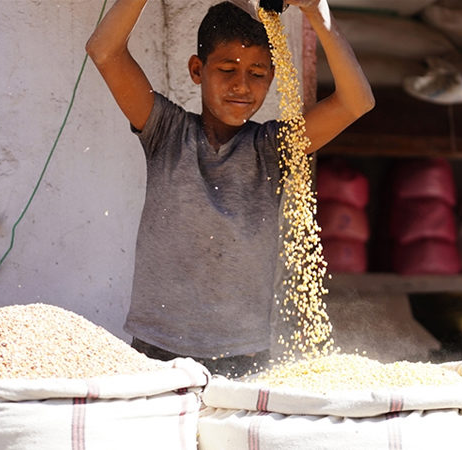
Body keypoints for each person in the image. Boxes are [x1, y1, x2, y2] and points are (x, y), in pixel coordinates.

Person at [85, 0, 374, 374]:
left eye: (258, 73)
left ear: (273, 77)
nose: (242, 85)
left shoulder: (272, 150)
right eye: (226, 69)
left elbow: (357, 102)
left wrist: (316, 13)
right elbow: (104, 51)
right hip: (155, 352)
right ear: (196, 69)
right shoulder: (167, 133)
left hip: (243, 358)